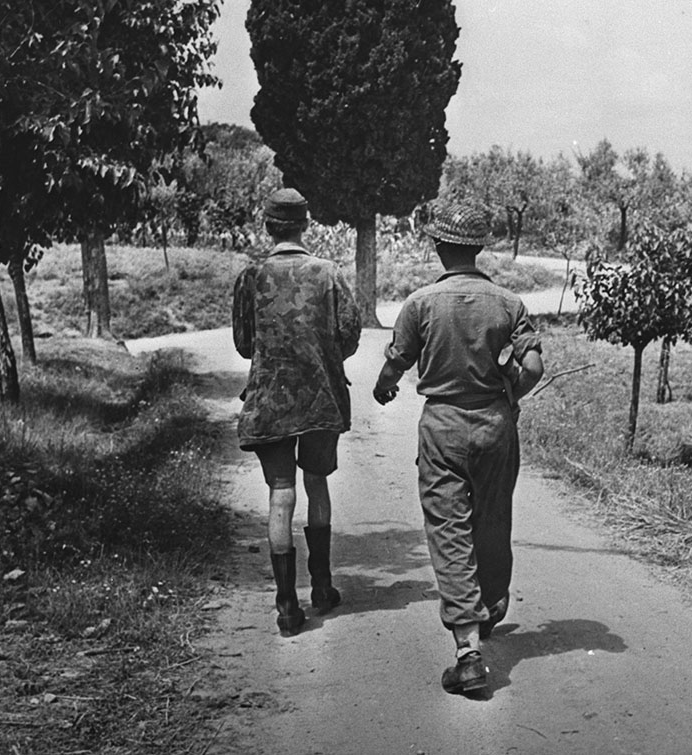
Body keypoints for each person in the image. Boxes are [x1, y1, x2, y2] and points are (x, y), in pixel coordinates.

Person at [372, 203, 544, 695]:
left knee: (448, 529)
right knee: (492, 518)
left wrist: (384, 387)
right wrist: (509, 395)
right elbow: (533, 368)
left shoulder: (420, 304)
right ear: (480, 248)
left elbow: (397, 363)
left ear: (438, 246)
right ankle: (490, 602)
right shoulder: (509, 303)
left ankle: (468, 653)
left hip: (443, 426)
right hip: (495, 425)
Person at [233, 188, 361, 637]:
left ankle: (286, 606)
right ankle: (322, 587)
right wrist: (323, 356)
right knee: (317, 483)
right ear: (306, 224)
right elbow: (350, 334)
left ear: (268, 225)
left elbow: (244, 344)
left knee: (280, 493)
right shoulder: (328, 273)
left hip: (269, 401)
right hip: (321, 399)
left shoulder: (251, 276)